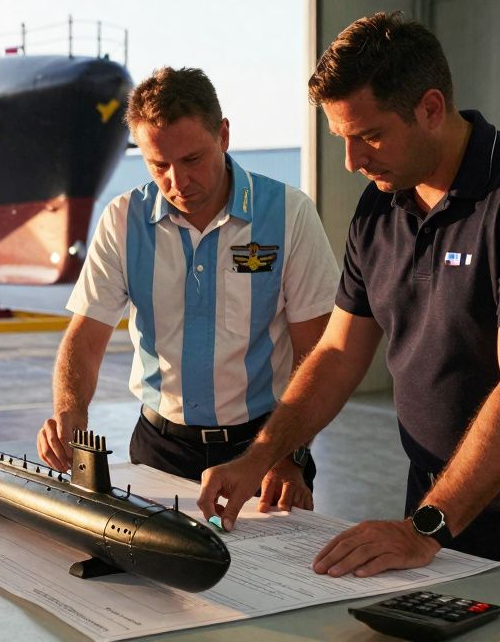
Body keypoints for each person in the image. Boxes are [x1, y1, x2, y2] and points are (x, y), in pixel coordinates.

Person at [197, 12, 500, 576]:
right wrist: (261, 455)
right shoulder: (380, 205)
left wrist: (426, 528)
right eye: (342, 139)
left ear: (430, 108)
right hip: (433, 498)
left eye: (369, 135)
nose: (352, 161)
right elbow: (336, 354)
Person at [36, 66, 339, 511]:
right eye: (159, 165)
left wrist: (287, 454)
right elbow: (85, 336)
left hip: (265, 445)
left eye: (192, 160)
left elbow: (317, 351)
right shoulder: (123, 220)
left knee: (264, 580)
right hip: (158, 450)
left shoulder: (289, 214)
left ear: (223, 135)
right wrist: (70, 412)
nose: (178, 183)